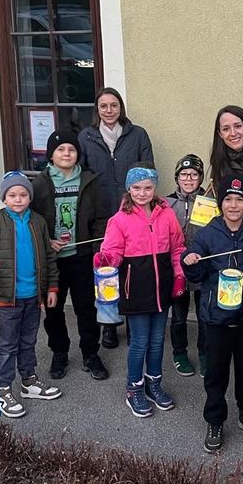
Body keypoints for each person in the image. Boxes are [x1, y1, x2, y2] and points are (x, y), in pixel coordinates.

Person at [94, 163, 185, 418]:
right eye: (137, 188)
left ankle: (153, 382)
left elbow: (177, 248)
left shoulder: (167, 215)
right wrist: (106, 259)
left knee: (157, 341)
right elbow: (112, 251)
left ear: (155, 188)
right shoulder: (119, 219)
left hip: (162, 288)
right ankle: (133, 388)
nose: (142, 193)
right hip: (135, 289)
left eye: (148, 187)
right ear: (129, 189)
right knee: (140, 341)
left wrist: (179, 276)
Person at [183, 174, 243, 452]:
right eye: (228, 199)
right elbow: (196, 270)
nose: (233, 205)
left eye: (239, 200)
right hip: (216, 319)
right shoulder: (208, 233)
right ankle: (215, 419)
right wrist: (191, 262)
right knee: (216, 374)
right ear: (221, 204)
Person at [0, 172, 61, 419]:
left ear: (30, 197)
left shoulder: (39, 222)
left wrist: (52, 288)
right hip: (6, 297)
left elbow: (48, 257)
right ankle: (3, 388)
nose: (18, 199)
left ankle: (29, 381)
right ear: (4, 198)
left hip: (33, 295)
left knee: (28, 340)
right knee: (8, 344)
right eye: (12, 195)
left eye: (23, 194)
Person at [31, 129, 108, 381]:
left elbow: (99, 218)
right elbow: (32, 221)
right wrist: (45, 242)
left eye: (71, 149)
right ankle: (59, 352)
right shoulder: (40, 184)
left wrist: (98, 251)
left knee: (86, 308)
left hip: (82, 256)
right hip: (53, 261)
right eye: (61, 149)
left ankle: (90, 353)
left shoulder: (89, 181)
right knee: (53, 309)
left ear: (78, 154)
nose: (66, 153)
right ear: (51, 155)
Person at [78, 86, 154, 222]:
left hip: (133, 207)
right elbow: (81, 174)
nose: (109, 111)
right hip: (99, 210)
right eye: (103, 106)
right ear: (97, 109)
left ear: (121, 108)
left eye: (114, 105)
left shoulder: (138, 135)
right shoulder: (86, 137)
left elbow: (148, 171)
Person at [166, 154, 207, 377]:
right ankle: (179, 353)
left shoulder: (209, 202)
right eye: (184, 174)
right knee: (179, 315)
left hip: (201, 265)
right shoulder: (166, 202)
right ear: (177, 177)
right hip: (177, 267)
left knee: (204, 315)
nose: (188, 179)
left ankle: (204, 353)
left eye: (193, 174)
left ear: (200, 178)